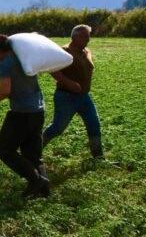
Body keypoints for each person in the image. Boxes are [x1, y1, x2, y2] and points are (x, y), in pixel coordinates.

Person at [0, 33, 50, 198]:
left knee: (3, 149)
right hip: (38, 109)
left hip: (21, 113)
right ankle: (44, 190)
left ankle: (35, 180)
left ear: (0, 50)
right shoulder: (23, 56)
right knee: (33, 153)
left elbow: (5, 91)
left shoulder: (5, 64)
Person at [43, 24, 103, 158]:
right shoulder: (64, 51)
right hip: (66, 97)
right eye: (85, 37)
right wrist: (68, 83)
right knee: (58, 128)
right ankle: (34, 149)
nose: (88, 40)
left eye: (89, 37)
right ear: (75, 37)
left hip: (84, 96)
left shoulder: (86, 51)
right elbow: (52, 69)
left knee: (94, 124)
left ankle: (98, 157)